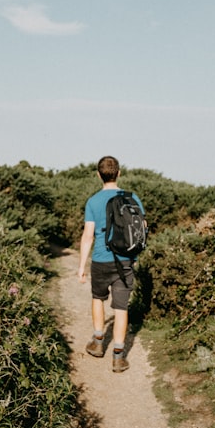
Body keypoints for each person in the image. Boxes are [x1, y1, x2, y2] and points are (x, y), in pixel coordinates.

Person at [78, 155, 145, 373]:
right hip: (125, 260)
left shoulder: (93, 201)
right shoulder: (132, 196)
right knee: (121, 307)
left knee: (98, 298)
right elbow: (141, 228)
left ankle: (98, 343)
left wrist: (81, 266)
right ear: (119, 173)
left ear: (99, 175)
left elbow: (88, 236)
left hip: (100, 259)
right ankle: (118, 356)